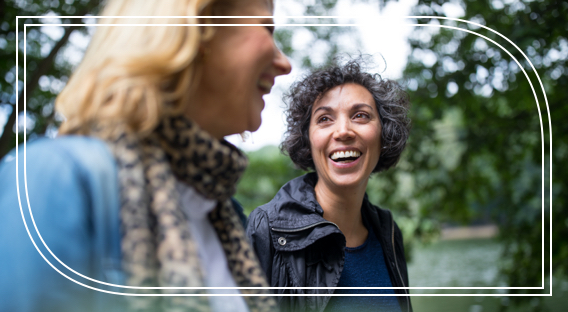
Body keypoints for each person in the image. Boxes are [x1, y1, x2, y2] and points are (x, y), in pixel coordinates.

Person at [0, 0, 291, 311]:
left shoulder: (223, 215)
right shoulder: (56, 178)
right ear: (198, 27)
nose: (284, 63)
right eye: (266, 27)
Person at [246, 59, 412, 312]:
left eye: (360, 115)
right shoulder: (267, 230)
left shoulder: (388, 231)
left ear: (384, 135)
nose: (343, 131)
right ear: (308, 141)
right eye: (324, 119)